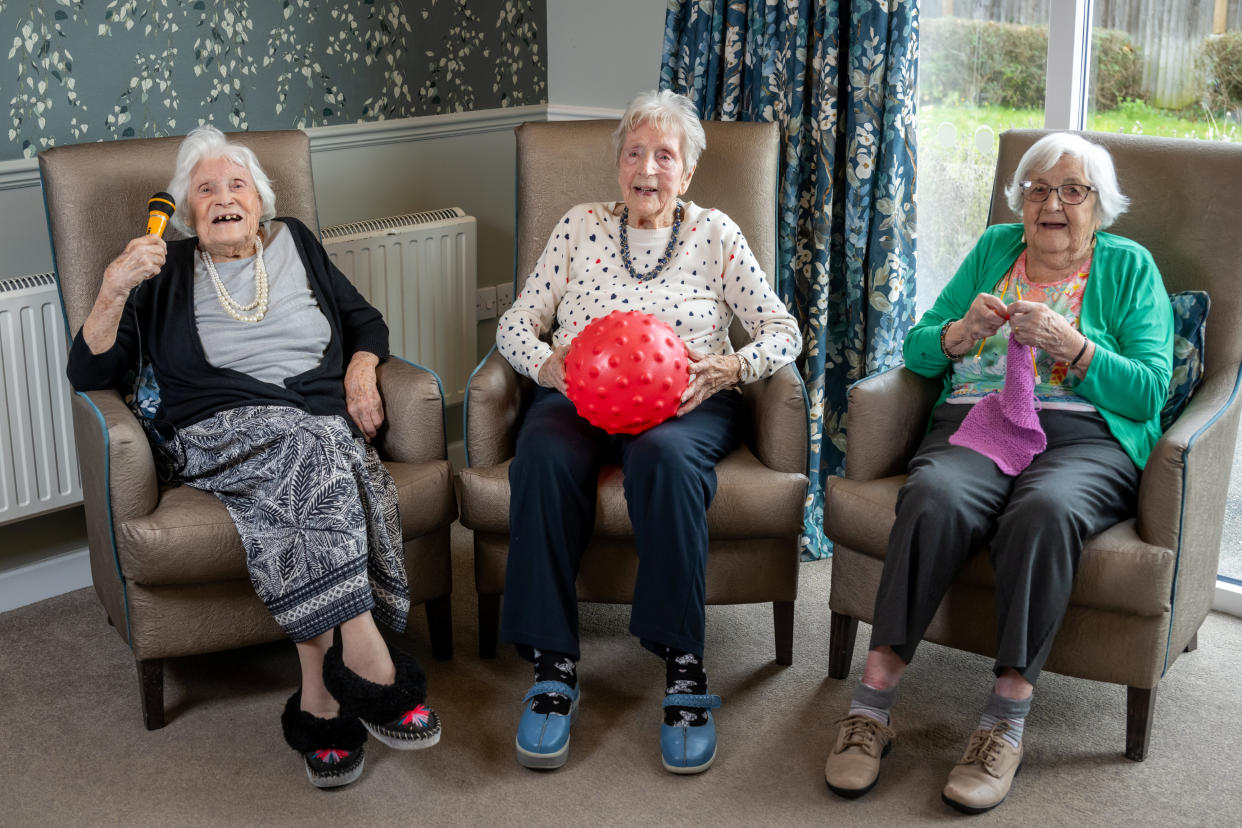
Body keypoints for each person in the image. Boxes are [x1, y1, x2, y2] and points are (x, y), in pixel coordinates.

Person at [66, 125, 440, 789]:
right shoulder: (163, 268)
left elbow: (366, 322)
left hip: (314, 424)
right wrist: (112, 288)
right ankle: (369, 656)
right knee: (317, 446)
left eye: (236, 184)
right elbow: (89, 370)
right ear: (187, 213)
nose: (222, 197)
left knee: (308, 461)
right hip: (216, 429)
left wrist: (360, 366)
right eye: (204, 190)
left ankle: (321, 705)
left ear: (262, 201)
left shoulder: (296, 242)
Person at [823, 132, 1173, 813]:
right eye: (1038, 190)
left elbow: (1150, 391)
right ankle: (872, 705)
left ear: (1099, 206)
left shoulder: (1130, 267)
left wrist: (1075, 349)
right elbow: (920, 351)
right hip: (979, 421)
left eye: (1072, 190)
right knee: (934, 494)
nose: (1052, 204)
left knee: (1044, 513)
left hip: (1084, 435)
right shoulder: (993, 250)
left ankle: (1003, 722)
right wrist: (961, 334)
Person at [494, 89, 802, 775]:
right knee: (540, 451)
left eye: (666, 155)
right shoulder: (578, 226)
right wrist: (547, 367)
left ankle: (685, 667)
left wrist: (732, 367)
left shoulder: (716, 234)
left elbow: (785, 331)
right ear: (618, 165)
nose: (649, 168)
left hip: (685, 398)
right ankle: (553, 666)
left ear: (687, 172)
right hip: (579, 394)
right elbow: (515, 322)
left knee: (664, 460)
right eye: (636, 151)